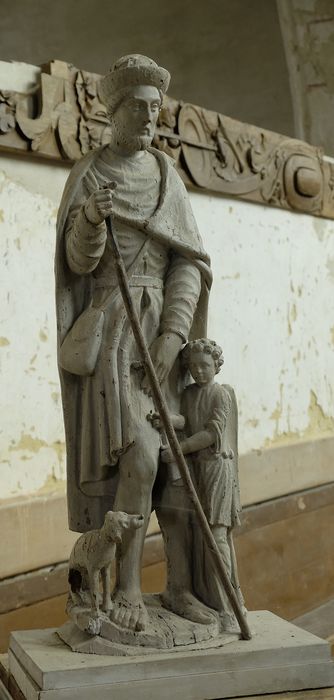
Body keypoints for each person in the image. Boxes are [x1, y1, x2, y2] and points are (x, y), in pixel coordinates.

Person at [55, 54, 212, 632]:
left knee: (176, 467)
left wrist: (174, 334)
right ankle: (123, 587)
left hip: (163, 337)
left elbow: (188, 265)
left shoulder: (169, 177)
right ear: (115, 112)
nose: (149, 116)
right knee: (140, 457)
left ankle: (178, 588)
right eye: (138, 107)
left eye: (155, 107)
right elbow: (77, 264)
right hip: (115, 335)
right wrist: (91, 223)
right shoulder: (91, 175)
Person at [159, 339, 245, 629]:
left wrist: (178, 451)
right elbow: (187, 421)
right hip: (196, 469)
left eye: (205, 365)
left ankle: (229, 606)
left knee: (217, 536)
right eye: (194, 366)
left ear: (216, 366)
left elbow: (210, 433)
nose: (199, 371)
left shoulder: (221, 395)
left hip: (217, 470)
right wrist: (166, 419)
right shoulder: (189, 393)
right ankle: (210, 599)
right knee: (200, 536)